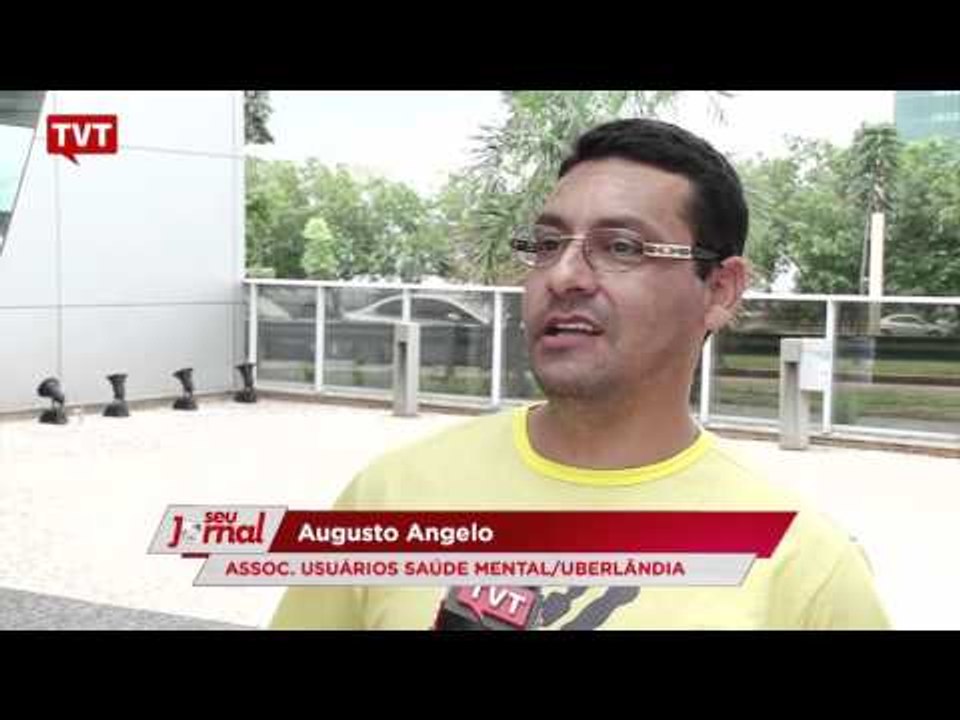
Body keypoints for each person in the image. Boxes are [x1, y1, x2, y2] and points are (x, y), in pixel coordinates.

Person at [270, 118, 890, 630]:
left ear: (720, 289)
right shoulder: (389, 499)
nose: (564, 275)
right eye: (546, 244)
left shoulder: (804, 567)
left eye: (621, 247)